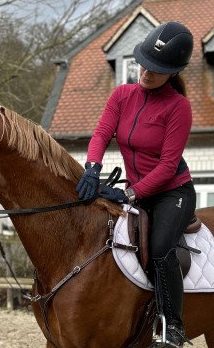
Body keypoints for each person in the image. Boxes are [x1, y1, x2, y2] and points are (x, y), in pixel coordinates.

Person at [75, 21, 196, 348]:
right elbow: (101, 134)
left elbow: (168, 166)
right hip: (137, 190)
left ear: (173, 72)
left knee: (158, 248)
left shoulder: (178, 108)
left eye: (156, 69)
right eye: (144, 63)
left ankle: (173, 327)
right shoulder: (122, 95)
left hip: (172, 193)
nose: (146, 71)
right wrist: (91, 167)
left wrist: (130, 193)